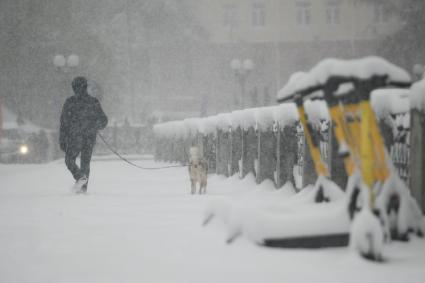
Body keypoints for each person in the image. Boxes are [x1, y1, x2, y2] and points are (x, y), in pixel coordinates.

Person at [59, 76, 108, 193]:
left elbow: (64, 122)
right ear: (86, 87)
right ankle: (83, 187)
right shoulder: (93, 102)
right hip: (90, 137)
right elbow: (104, 120)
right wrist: (95, 125)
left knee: (69, 160)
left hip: (75, 137)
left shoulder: (70, 102)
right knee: (85, 163)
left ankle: (79, 177)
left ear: (74, 87)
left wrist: (62, 139)